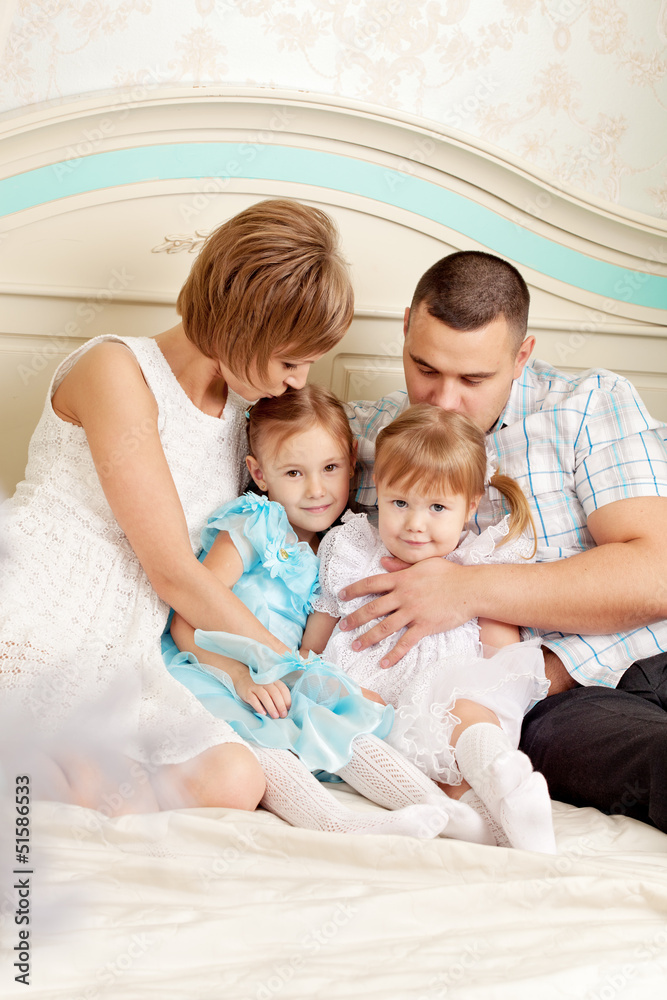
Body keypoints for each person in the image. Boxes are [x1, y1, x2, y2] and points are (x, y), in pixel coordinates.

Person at [0, 198, 356, 815]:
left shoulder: (248, 416)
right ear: (242, 328)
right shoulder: (115, 369)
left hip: (144, 640)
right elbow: (171, 567)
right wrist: (298, 671)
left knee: (237, 780)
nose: (299, 381)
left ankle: (43, 777)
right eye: (290, 360)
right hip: (50, 606)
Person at [341, 250, 667, 831]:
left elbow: (658, 571)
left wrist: (467, 590)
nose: (442, 400)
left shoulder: (587, 405)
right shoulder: (372, 436)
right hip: (572, 705)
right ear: (405, 328)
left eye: (473, 379)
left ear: (522, 356)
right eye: (425, 368)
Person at [163, 386, 493, 843]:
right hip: (219, 675)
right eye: (294, 472)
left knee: (345, 725)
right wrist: (239, 676)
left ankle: (442, 812)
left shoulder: (339, 549)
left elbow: (318, 640)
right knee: (268, 749)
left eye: (331, 469)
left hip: (281, 680)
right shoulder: (254, 523)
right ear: (259, 473)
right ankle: (339, 824)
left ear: (353, 462)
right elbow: (185, 616)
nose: (317, 490)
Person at [303, 403, 555, 853]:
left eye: (437, 507)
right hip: (368, 686)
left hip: (443, 690)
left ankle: (507, 782)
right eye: (400, 503)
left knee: (468, 719)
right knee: (345, 717)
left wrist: (488, 694)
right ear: (378, 487)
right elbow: (324, 615)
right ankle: (462, 816)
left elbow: (498, 654)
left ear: (470, 504)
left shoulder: (477, 563)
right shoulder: (352, 548)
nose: (415, 525)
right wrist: (305, 664)